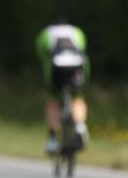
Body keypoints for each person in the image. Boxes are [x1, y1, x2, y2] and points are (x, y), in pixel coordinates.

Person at [36, 20, 90, 154]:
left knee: (54, 101)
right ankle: (80, 127)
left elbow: (43, 56)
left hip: (56, 68)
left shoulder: (46, 33)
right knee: (78, 98)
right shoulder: (77, 31)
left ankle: (53, 139)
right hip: (77, 66)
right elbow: (83, 49)